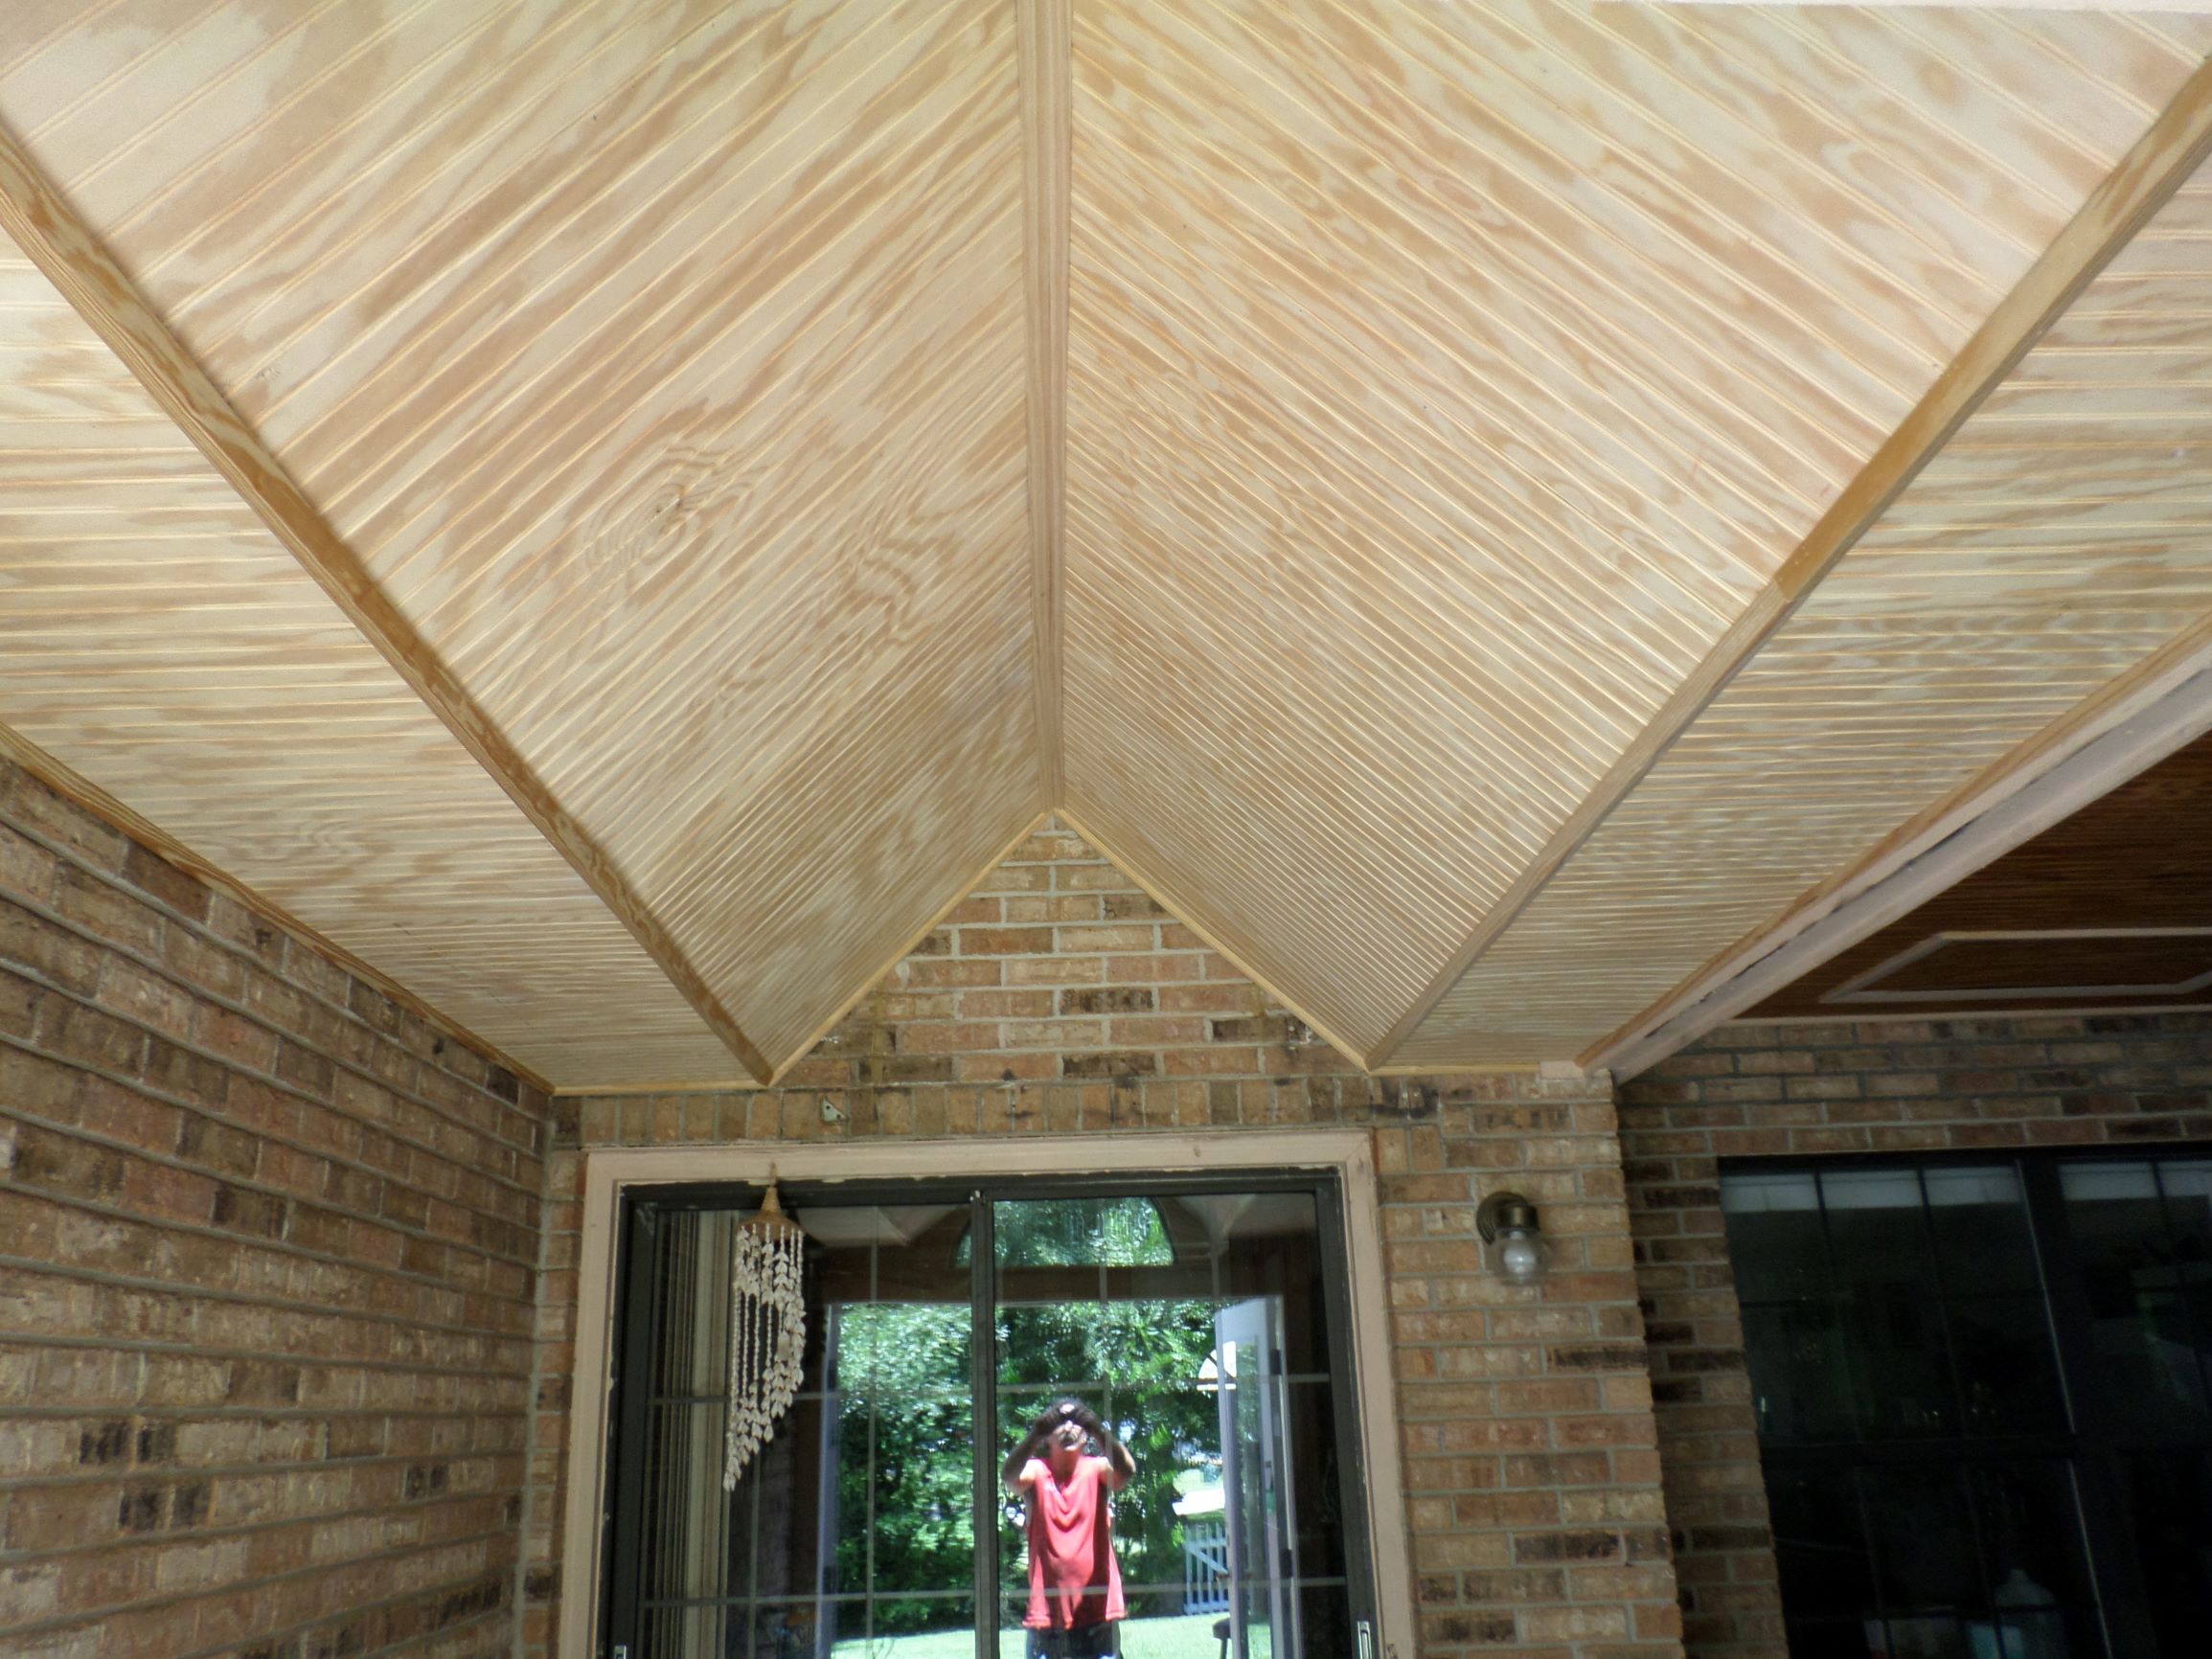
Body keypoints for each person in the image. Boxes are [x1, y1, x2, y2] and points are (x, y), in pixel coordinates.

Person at [1003, 1398, 1136, 1658]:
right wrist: (1035, 1433)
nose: (1067, 1429)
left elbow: (1127, 1471)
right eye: (1058, 1424)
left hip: (1097, 1609)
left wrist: (1098, 1428)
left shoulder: (1096, 1469)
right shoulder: (1037, 1471)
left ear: (1086, 1436)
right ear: (1046, 1438)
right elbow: (1009, 1475)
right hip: (1048, 1614)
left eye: (1075, 1423)